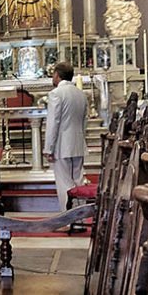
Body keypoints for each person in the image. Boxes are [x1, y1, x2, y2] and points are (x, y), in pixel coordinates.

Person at [44, 60, 89, 210]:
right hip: (78, 142)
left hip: (62, 145)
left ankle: (67, 218)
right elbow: (84, 121)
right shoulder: (81, 94)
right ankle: (80, 215)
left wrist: (49, 148)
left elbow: (53, 122)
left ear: (57, 75)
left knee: (64, 182)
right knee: (78, 180)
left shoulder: (56, 93)